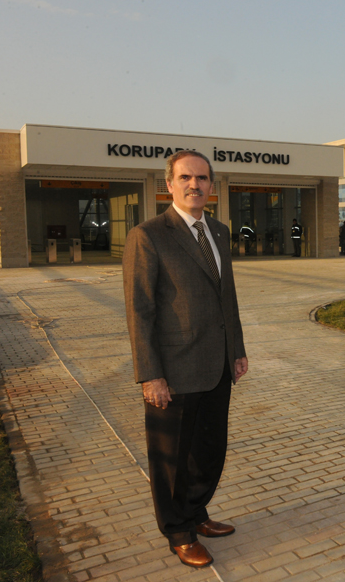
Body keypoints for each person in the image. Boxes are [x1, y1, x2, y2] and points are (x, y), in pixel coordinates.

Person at [123, 151, 247, 568]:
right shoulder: (148, 235)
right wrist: (150, 374)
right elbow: (140, 310)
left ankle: (196, 513)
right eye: (185, 178)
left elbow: (227, 297)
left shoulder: (219, 231)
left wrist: (237, 349)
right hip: (173, 371)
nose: (195, 184)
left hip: (217, 365)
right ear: (169, 184)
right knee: (171, 460)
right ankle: (178, 531)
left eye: (202, 178)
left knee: (209, 451)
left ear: (212, 185)